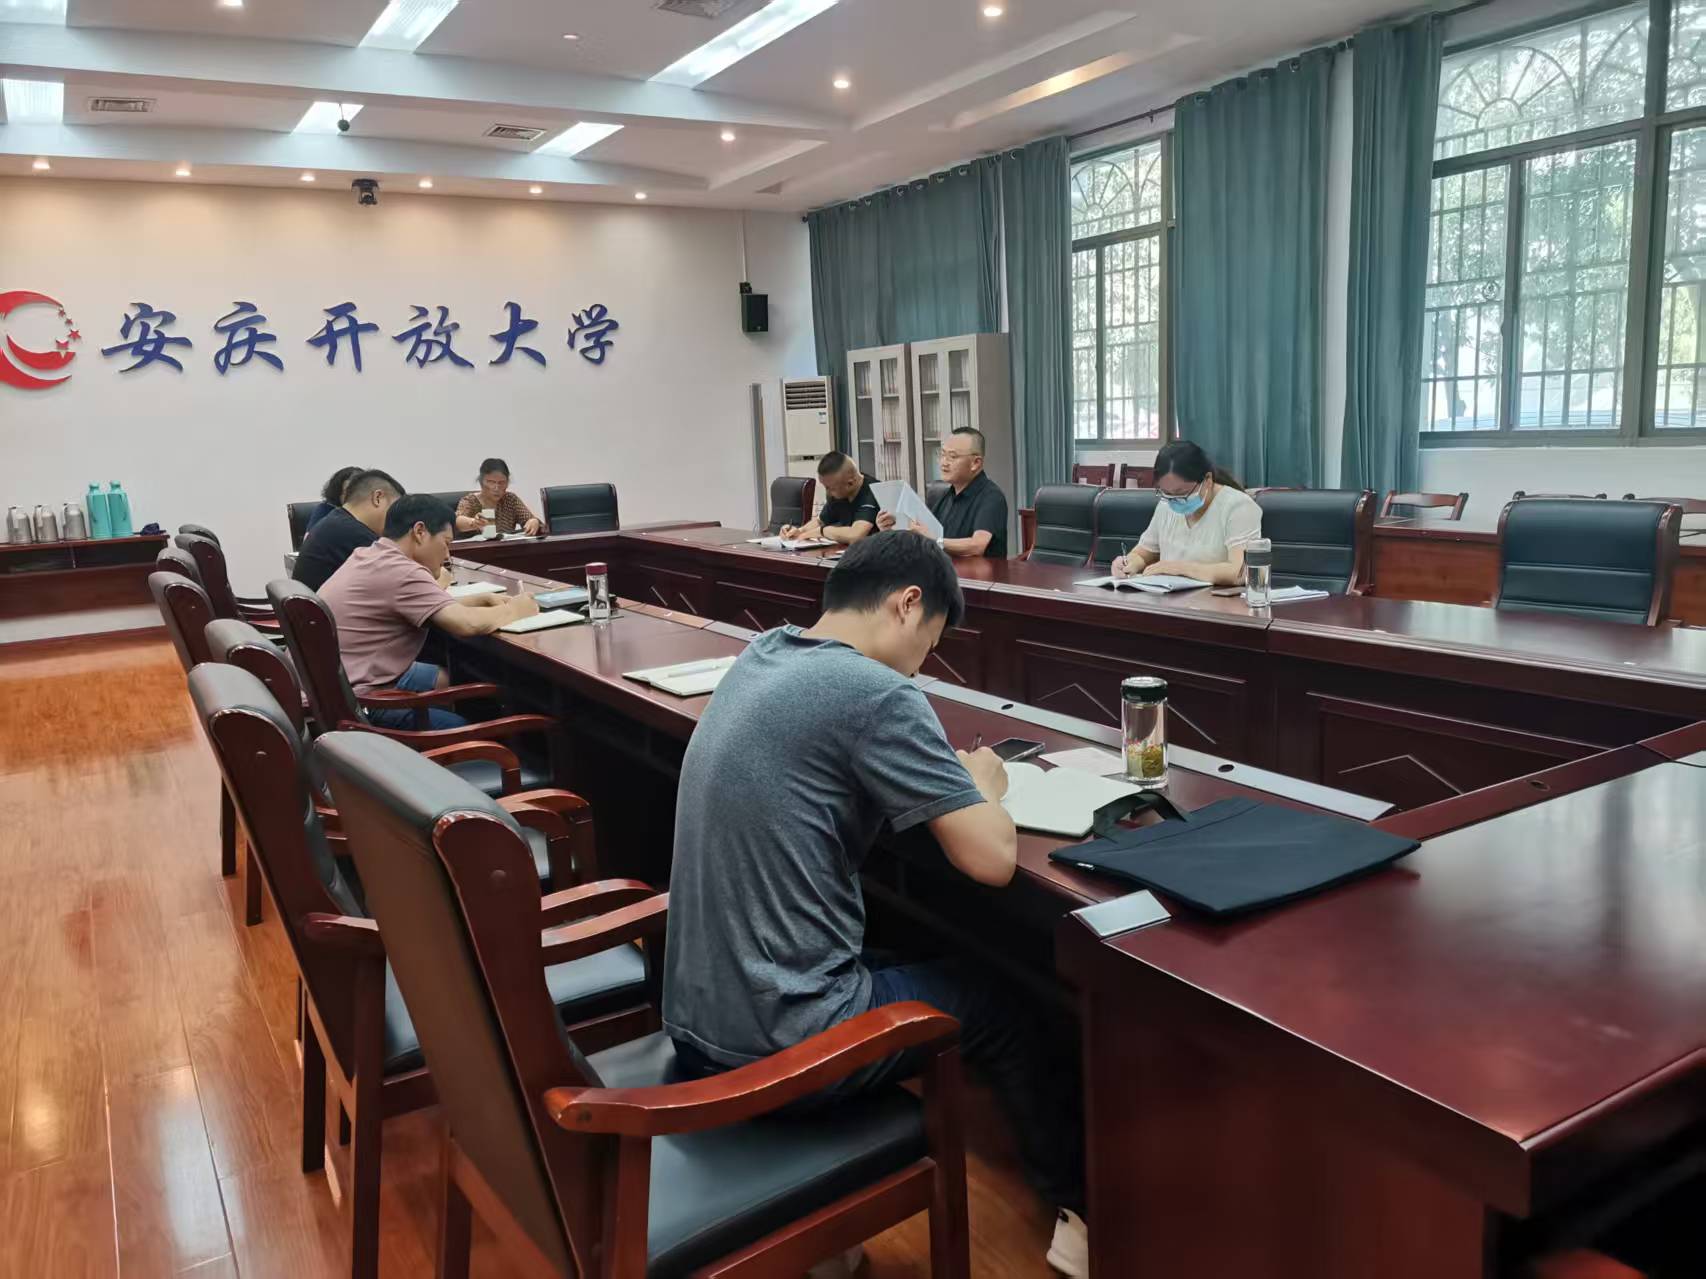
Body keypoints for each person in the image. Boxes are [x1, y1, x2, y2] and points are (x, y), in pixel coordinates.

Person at [662, 531, 1087, 1276]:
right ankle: (1083, 1219)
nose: (923, 664)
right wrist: (983, 783)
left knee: (916, 950)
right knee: (1010, 1005)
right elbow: (990, 859)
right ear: (907, 603)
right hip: (780, 1040)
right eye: (930, 642)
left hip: (698, 1018)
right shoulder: (875, 691)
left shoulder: (764, 651)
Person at [317, 494, 540, 729]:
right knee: (473, 723)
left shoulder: (370, 555)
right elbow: (467, 624)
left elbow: (417, 604)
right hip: (365, 704)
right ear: (420, 531)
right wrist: (516, 609)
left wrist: (479, 600)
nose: (447, 555)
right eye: (446, 542)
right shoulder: (403, 571)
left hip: (340, 690)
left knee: (457, 679)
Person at [1110, 440, 1261, 587]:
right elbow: (1143, 553)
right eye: (1167, 493)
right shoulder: (1166, 504)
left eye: (1181, 493)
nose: (1175, 500)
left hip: (1216, 600)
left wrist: (1178, 568)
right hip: (1169, 598)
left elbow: (1240, 572)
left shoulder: (1238, 506)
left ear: (1207, 480)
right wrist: (1130, 562)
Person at [875, 427, 1008, 558]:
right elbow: (922, 537)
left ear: (976, 463)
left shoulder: (991, 497)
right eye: (943, 454)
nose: (944, 463)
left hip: (977, 572)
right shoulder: (943, 496)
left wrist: (936, 541)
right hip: (942, 569)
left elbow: (977, 546)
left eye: (952, 457)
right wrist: (891, 530)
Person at [292, 468, 404, 591]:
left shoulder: (336, 521)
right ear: (377, 497)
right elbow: (403, 576)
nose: (395, 519)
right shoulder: (354, 534)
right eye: (394, 508)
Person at [779, 451, 879, 544]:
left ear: (850, 483)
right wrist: (799, 531)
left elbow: (855, 535)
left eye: (830, 488)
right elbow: (820, 521)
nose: (828, 493)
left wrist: (823, 531)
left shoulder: (873, 492)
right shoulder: (838, 492)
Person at [455, 458, 542, 537]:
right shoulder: (470, 500)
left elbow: (529, 519)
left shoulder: (510, 499)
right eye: (491, 482)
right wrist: (474, 522)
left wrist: (534, 521)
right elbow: (457, 521)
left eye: (502, 483)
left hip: (506, 547)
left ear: (507, 483)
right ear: (481, 482)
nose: (496, 488)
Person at [305, 465, 364, 535]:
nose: (353, 496)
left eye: (358, 491)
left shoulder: (370, 510)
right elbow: (310, 539)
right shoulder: (325, 509)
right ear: (338, 492)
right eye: (348, 492)